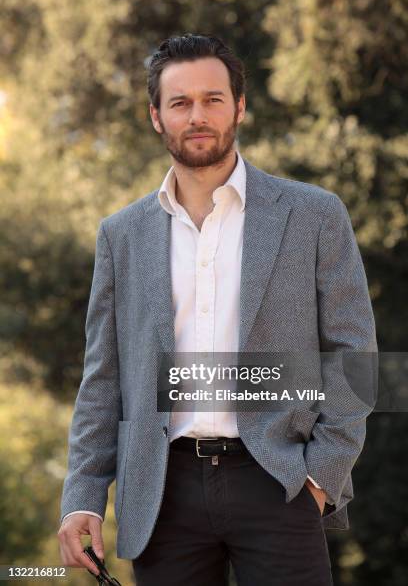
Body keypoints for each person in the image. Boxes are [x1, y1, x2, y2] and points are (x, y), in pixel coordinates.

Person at [58, 33, 377, 586]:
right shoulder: (122, 235)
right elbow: (102, 377)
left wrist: (320, 478)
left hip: (280, 478)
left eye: (213, 99)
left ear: (240, 107)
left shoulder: (314, 215)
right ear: (156, 116)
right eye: (180, 103)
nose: (197, 116)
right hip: (161, 491)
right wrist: (82, 495)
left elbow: (356, 355)